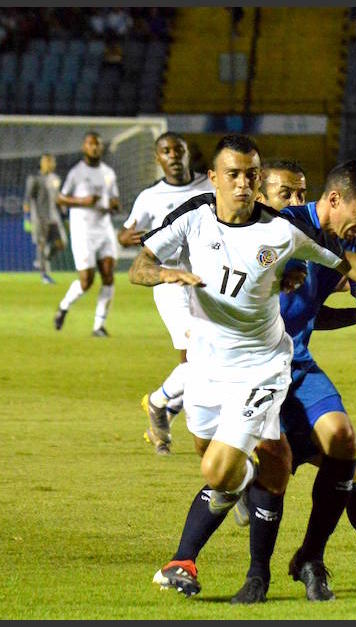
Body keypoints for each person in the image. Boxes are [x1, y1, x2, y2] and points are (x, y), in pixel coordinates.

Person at [129, 135, 356, 602]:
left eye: (254, 176)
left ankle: (318, 564)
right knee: (233, 468)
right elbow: (144, 263)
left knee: (341, 450)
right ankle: (239, 540)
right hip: (215, 364)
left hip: (275, 365)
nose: (294, 198)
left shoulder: (304, 235)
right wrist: (166, 274)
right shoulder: (264, 223)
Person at [230, 159, 356, 603]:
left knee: (348, 450)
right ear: (335, 200)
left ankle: (341, 564)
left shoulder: (354, 240)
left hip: (298, 366)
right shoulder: (279, 229)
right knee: (270, 465)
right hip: (254, 369)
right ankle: (253, 570)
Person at [117, 132, 214, 456]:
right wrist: (130, 238)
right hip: (171, 286)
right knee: (203, 355)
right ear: (157, 158)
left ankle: (161, 407)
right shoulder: (150, 197)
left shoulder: (210, 186)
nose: (173, 155)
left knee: (199, 360)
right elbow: (126, 233)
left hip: (210, 283)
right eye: (166, 151)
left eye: (178, 150)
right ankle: (161, 407)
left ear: (188, 153)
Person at [54, 131, 120, 337]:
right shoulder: (76, 173)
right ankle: (64, 306)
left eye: (98, 144)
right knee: (87, 281)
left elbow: (116, 201)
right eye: (91, 144)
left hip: (104, 229)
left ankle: (98, 326)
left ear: (101, 148)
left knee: (109, 276)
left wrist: (112, 204)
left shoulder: (109, 173)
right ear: (84, 147)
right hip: (83, 231)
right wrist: (82, 202)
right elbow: (60, 198)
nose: (94, 147)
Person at [23, 152, 67, 284]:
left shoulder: (55, 179)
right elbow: (27, 199)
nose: (51, 164)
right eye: (48, 161)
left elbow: (58, 198)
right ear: (43, 163)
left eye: (52, 161)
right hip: (40, 218)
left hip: (54, 218)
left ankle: (43, 260)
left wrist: (64, 214)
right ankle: (44, 275)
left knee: (62, 244)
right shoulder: (34, 179)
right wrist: (26, 218)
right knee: (41, 245)